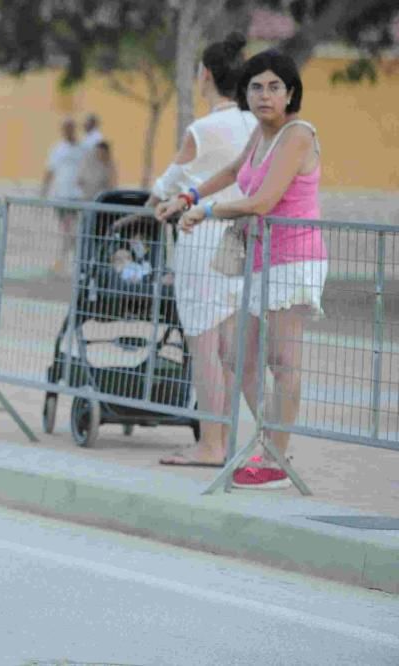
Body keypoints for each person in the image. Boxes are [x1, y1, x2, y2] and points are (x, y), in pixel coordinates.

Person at [157, 49, 327, 489]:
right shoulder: (261, 133)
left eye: (274, 87)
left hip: (294, 260)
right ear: (244, 93)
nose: (264, 95)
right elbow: (233, 171)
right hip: (259, 257)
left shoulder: (296, 134)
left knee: (282, 359)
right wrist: (187, 198)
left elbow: (262, 201)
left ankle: (274, 459)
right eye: (255, 86)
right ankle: (271, 444)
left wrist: (206, 211)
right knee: (236, 353)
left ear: (290, 93)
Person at [122, 33, 257, 467]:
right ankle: (249, 441)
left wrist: (147, 210)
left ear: (206, 77)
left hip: (203, 245)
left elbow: (166, 186)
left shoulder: (203, 130)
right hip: (247, 242)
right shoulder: (258, 126)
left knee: (205, 348)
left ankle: (212, 443)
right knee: (238, 352)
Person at [41, 117, 84, 275]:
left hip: (76, 197)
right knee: (68, 231)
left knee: (73, 231)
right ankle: (65, 261)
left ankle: (66, 261)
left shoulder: (81, 149)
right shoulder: (58, 149)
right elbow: (49, 170)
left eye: (71, 128)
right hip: (61, 196)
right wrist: (43, 191)